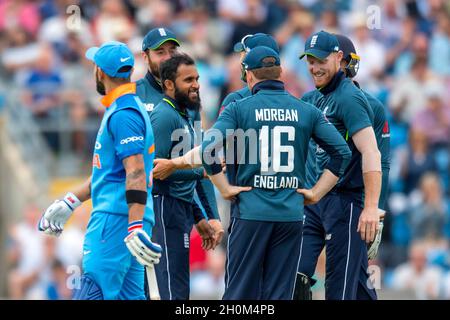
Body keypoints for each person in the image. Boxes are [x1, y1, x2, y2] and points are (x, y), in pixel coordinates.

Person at [152, 46, 352, 299]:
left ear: (249, 75)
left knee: (240, 295)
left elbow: (208, 149)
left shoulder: (239, 108)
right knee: (279, 295)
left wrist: (222, 187)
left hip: (251, 214)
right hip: (290, 216)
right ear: (280, 73)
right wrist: (316, 192)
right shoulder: (305, 110)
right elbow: (342, 153)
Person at [38, 41, 162, 300]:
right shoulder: (127, 108)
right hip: (126, 221)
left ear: (100, 72)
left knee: (92, 292)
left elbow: (135, 171)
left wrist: (134, 225)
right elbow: (109, 174)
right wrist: (71, 201)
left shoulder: (123, 114)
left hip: (114, 220)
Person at [294, 30, 382, 300]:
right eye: (310, 61)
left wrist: (370, 207)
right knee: (293, 276)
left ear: (338, 58)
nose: (314, 67)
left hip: (345, 204)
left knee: (340, 289)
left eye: (320, 61)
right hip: (314, 199)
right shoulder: (314, 97)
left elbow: (372, 153)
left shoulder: (349, 98)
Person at [136, 27, 222, 244]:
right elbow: (148, 167)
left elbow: (197, 155)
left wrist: (208, 215)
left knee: (175, 278)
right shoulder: (134, 95)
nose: (167, 58)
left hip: (178, 208)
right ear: (145, 57)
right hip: (143, 209)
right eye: (160, 52)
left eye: (172, 51)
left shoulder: (188, 98)